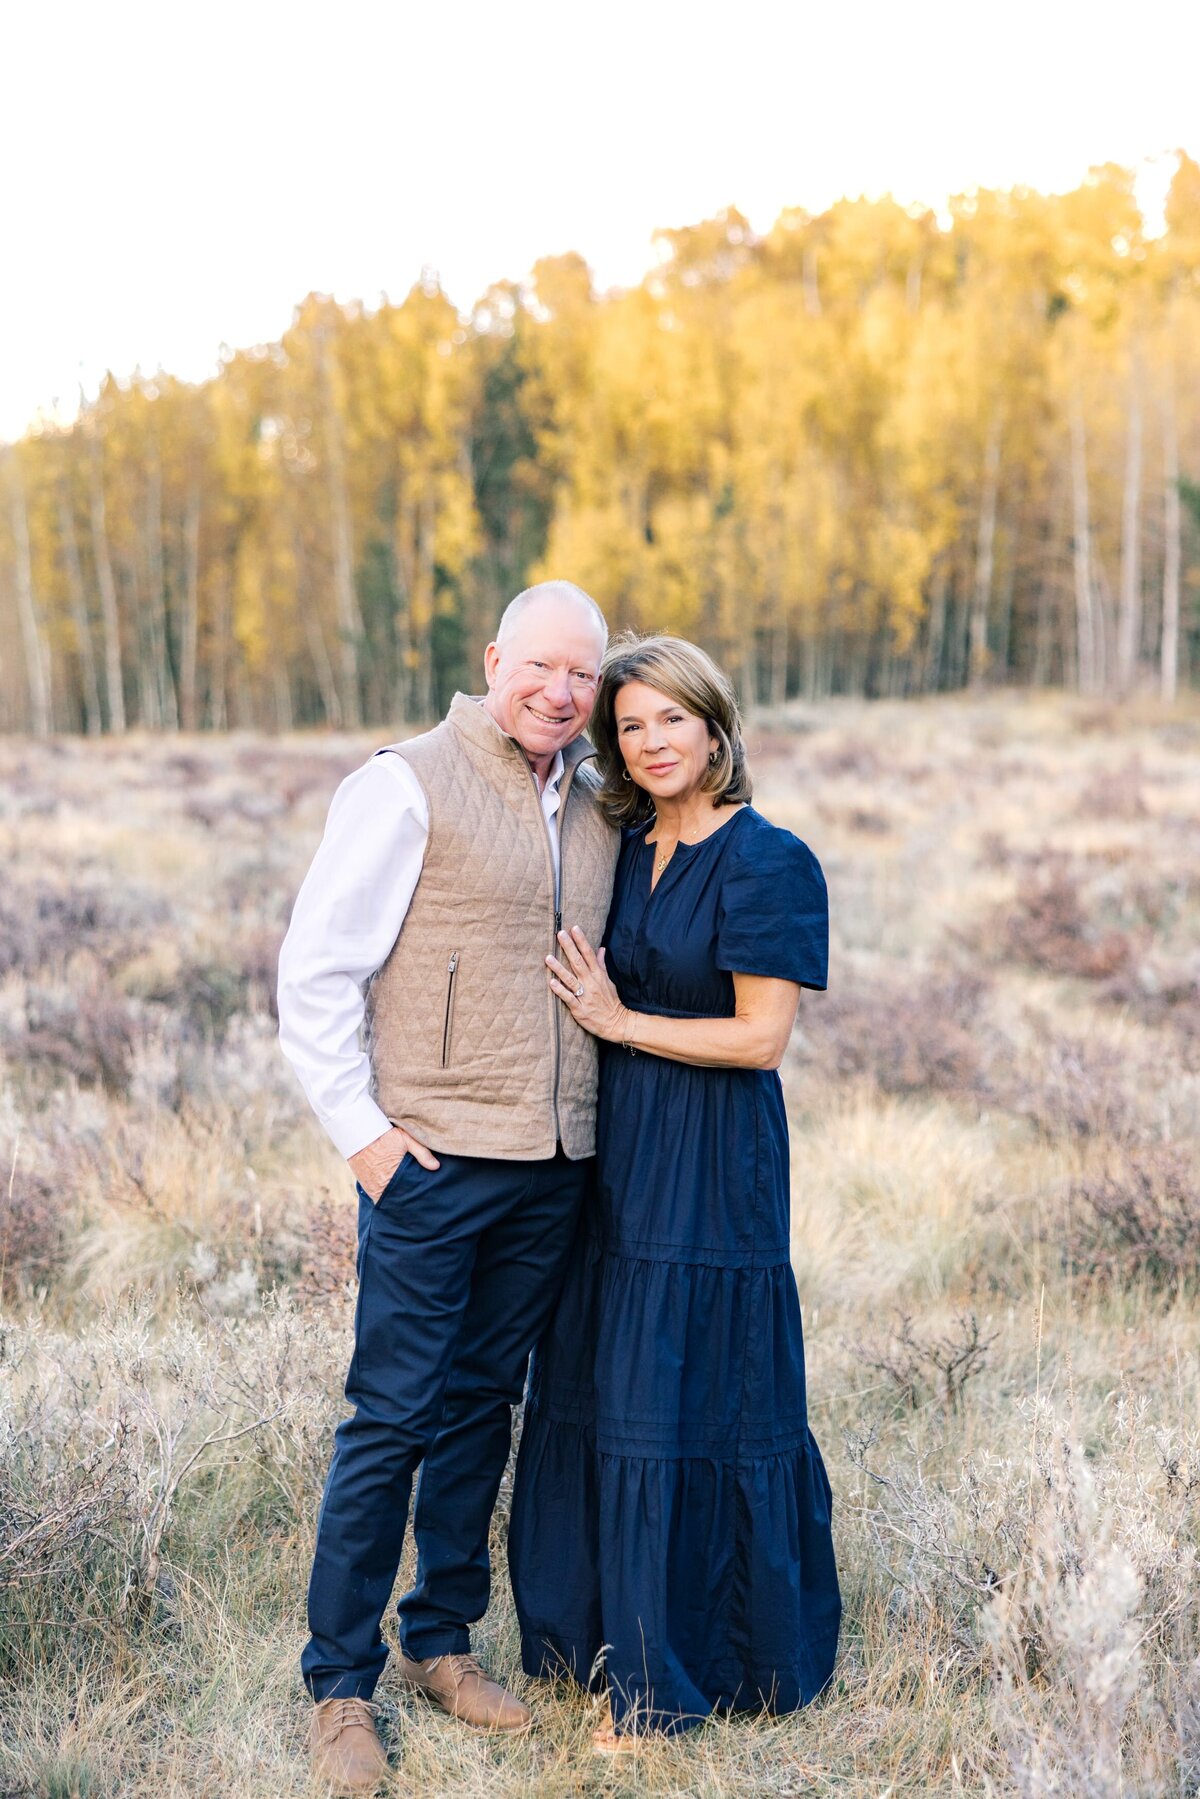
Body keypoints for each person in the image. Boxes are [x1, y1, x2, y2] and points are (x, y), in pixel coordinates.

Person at [277, 581, 618, 1794]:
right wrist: (365, 1139)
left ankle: (439, 1639)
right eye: (540, 667)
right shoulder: (407, 781)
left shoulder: (593, 800)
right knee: (393, 1416)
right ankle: (337, 1684)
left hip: (549, 1170)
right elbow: (315, 968)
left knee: (484, 1407)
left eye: (583, 674)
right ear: (493, 660)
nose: (561, 692)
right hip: (428, 1163)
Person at [508, 632, 841, 1745]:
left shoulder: (768, 860)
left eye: (672, 720)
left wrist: (617, 1021)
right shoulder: (620, 839)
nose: (651, 743)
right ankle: (591, 1643)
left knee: (683, 1398)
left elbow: (761, 1037)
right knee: (602, 1384)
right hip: (615, 1154)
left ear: (715, 725)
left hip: (710, 1159)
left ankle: (665, 1684)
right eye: (631, 724)